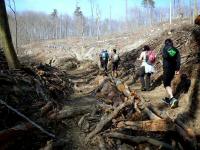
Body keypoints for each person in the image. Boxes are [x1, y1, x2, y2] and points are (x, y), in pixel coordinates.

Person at [162, 39, 181, 109]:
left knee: (166, 83)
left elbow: (164, 56)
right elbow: (178, 61)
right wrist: (177, 69)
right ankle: (170, 99)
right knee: (168, 82)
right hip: (173, 69)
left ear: (165, 43)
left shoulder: (165, 48)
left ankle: (172, 98)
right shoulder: (176, 50)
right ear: (172, 43)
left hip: (167, 68)